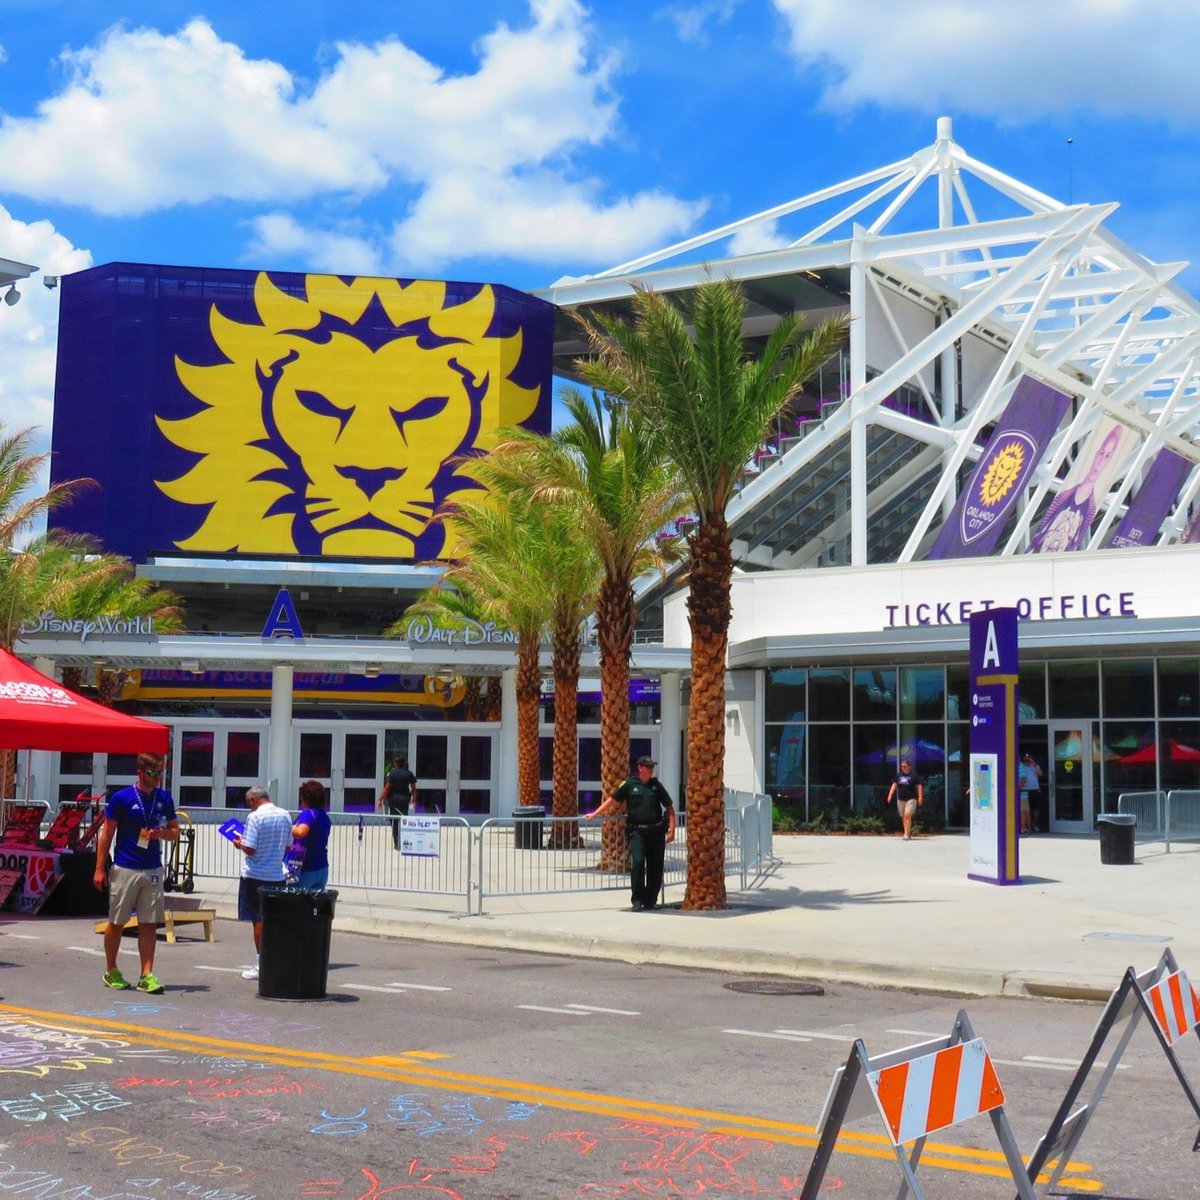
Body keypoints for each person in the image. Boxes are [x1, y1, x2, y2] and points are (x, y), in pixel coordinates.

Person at [93, 752, 180, 993]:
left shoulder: (164, 798)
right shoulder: (122, 798)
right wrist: (100, 868)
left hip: (152, 867)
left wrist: (161, 834)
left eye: (160, 773)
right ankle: (111, 970)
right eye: (153, 773)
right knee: (117, 921)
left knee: (149, 923)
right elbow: (107, 834)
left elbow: (175, 831)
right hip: (125, 866)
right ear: (140, 773)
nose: (158, 778)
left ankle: (147, 974)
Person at [586, 755, 676, 911]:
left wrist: (672, 830)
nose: (651, 770)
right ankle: (637, 900)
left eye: (652, 767)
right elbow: (612, 800)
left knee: (656, 868)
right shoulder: (629, 784)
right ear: (640, 768)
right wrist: (595, 814)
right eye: (648, 767)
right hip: (637, 833)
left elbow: (670, 807)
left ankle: (650, 900)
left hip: (656, 833)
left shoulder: (656, 786)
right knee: (639, 863)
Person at [232, 784, 293, 981]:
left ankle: (261, 963)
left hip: (255, 874)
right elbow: (288, 846)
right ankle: (277, 960)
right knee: (275, 920)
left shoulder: (255, 817)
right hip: (277, 874)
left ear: (253, 800)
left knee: (258, 920)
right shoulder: (285, 815)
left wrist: (239, 843)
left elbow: (250, 848)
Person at [1031, 424, 1124, 553]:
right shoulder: (1064, 497)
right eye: (1101, 452)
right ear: (1096, 453)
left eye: (1108, 456)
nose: (1101, 460)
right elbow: (1041, 532)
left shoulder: (1091, 509)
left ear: (1111, 461)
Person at [292, 778, 332, 890]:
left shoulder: (309, 813)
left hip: (306, 867)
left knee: (297, 903)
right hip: (322, 866)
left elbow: (301, 832)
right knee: (315, 904)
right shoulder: (324, 816)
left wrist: (289, 828)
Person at [378, 755, 417, 849]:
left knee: (394, 821)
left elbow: (387, 787)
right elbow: (414, 789)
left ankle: (397, 843)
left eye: (394, 763)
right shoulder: (409, 773)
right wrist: (414, 800)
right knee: (404, 820)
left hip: (394, 800)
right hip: (404, 800)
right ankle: (405, 841)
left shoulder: (393, 774)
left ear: (397, 764)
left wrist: (380, 799)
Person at [885, 758, 923, 841]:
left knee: (907, 815)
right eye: (902, 766)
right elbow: (894, 785)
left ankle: (906, 834)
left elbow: (919, 786)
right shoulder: (899, 775)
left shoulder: (914, 775)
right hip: (901, 799)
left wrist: (920, 797)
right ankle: (907, 833)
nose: (903, 768)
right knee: (904, 817)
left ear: (909, 766)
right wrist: (890, 795)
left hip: (911, 799)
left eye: (905, 766)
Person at [1020, 752, 1043, 834]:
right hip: (1025, 791)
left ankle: (1034, 823)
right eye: (1026, 759)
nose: (1027, 761)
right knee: (1027, 810)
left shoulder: (1035, 766)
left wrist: (1033, 763)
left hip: (1035, 789)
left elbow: (1040, 774)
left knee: (1036, 808)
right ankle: (1026, 825)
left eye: (1028, 759)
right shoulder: (1021, 767)